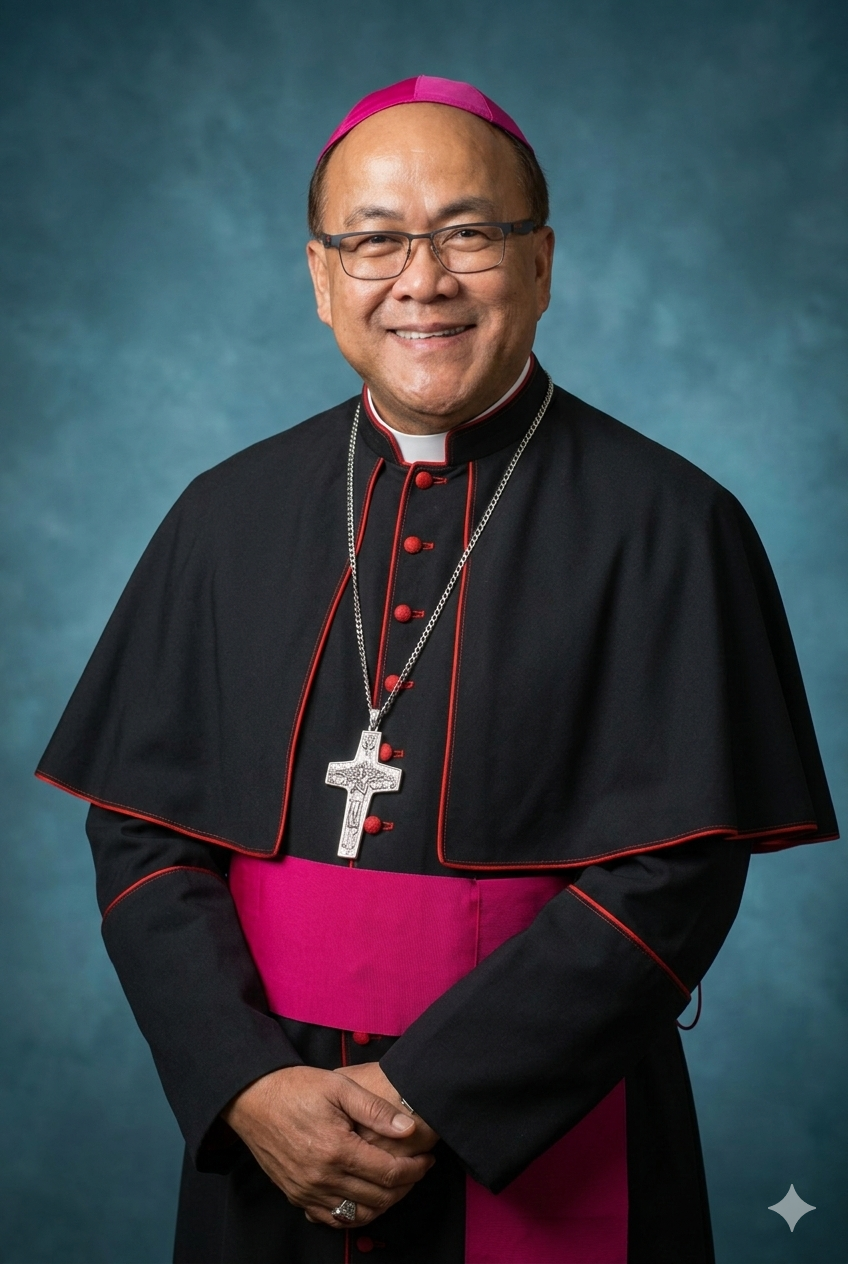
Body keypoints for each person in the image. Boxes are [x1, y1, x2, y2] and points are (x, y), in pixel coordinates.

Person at [37, 76, 837, 1264]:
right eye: (373, 242)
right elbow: (144, 835)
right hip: (272, 1127)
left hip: (552, 1115)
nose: (422, 280)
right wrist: (247, 1084)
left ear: (541, 261)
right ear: (319, 278)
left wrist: (431, 1098)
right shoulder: (223, 515)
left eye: (468, 232)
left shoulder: (672, 523)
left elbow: (676, 870)